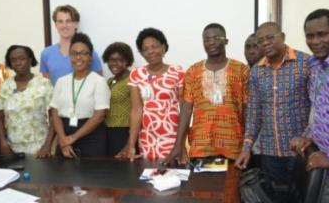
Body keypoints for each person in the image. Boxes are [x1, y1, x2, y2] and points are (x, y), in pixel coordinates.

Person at [166, 23, 249, 203]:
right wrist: (178, 145)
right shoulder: (193, 71)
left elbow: (248, 110)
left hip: (233, 145)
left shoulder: (241, 70)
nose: (211, 42)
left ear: (226, 41)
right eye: (206, 39)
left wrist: (248, 145)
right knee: (202, 194)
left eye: (216, 38)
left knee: (230, 195)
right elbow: (187, 109)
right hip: (201, 145)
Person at [235, 22, 310, 203]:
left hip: (301, 151)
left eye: (270, 38)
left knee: (302, 197)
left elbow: (317, 107)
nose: (265, 43)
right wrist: (247, 148)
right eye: (261, 41)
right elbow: (254, 114)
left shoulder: (306, 63)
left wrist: (309, 136)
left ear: (282, 37)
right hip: (270, 152)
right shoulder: (256, 72)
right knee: (273, 198)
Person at [291, 9, 329, 203]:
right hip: (322, 164)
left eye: (322, 34)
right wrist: (307, 136)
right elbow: (320, 110)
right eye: (310, 36)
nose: (315, 41)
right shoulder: (315, 65)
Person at [124, 27, 184, 161]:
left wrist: (182, 143)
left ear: (163, 47)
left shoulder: (177, 72)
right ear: (141, 53)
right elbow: (136, 110)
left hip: (174, 136)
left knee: (175, 177)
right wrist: (131, 144)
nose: (150, 51)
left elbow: (183, 108)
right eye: (145, 49)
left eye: (154, 46)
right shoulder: (136, 74)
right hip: (148, 139)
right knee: (149, 176)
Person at [50, 33, 110, 158]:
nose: (78, 57)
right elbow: (54, 112)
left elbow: (99, 116)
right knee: (63, 175)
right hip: (64, 134)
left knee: (90, 176)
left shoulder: (99, 81)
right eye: (74, 53)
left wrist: (73, 138)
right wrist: (63, 139)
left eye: (83, 53)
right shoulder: (61, 81)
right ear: (70, 56)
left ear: (90, 57)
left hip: (91, 136)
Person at [0, 45, 54, 157]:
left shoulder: (44, 84)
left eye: (22, 58)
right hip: (12, 148)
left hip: (39, 146)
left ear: (30, 60)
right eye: (13, 60)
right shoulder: (6, 86)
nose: (18, 63)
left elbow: (54, 118)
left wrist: (47, 146)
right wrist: (3, 143)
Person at [40, 5, 103, 85]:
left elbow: (99, 84)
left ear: (76, 24)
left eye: (68, 21)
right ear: (55, 24)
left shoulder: (89, 53)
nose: (64, 26)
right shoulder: (46, 54)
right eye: (60, 21)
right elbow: (46, 87)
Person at [102, 42, 134, 156]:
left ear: (127, 61)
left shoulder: (132, 80)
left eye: (120, 60)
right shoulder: (110, 81)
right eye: (111, 60)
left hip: (124, 132)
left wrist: (130, 143)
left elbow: (139, 111)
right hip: (107, 131)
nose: (115, 64)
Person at [244, 33, 264, 168]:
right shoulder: (242, 73)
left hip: (265, 145)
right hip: (244, 144)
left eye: (255, 47)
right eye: (247, 47)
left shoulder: (271, 74)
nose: (251, 51)